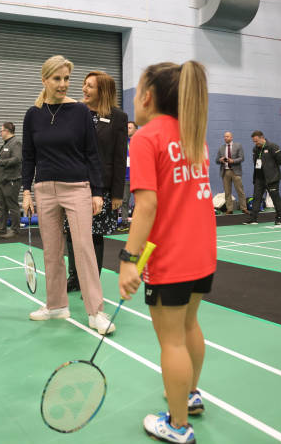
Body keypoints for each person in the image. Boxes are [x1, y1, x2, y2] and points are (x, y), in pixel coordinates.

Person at [118, 61, 216, 443]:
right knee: (190, 325)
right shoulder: (195, 135)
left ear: (147, 96)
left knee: (171, 340)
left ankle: (177, 426)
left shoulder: (145, 138)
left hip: (171, 259)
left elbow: (146, 207)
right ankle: (189, 395)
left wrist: (128, 260)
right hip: (203, 254)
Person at [22, 55, 115, 335]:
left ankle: (95, 311)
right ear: (44, 80)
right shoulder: (33, 115)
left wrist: (97, 192)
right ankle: (56, 305)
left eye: (66, 79)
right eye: (57, 79)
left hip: (77, 188)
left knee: (84, 248)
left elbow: (92, 155)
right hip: (44, 190)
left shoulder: (80, 112)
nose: (63, 84)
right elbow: (29, 157)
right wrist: (26, 191)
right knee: (51, 251)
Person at [66, 70, 128, 292]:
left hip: (101, 187)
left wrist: (118, 194)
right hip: (73, 184)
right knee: (72, 231)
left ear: (102, 91)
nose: (84, 89)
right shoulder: (74, 112)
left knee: (94, 234)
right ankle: (74, 278)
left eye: (90, 86)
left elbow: (120, 158)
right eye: (84, 84)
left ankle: (91, 281)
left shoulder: (118, 117)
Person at [0, 121, 22, 238]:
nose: (0, 133)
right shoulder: (6, 144)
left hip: (11, 180)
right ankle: (1, 229)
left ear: (7, 131)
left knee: (13, 205)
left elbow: (17, 159)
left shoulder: (15, 143)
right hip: (2, 180)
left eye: (1, 131)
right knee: (1, 205)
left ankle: (15, 230)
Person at [243, 130, 281, 225]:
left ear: (262, 138)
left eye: (257, 141)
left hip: (272, 178)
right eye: (254, 141)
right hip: (259, 178)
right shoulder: (255, 149)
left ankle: (280, 218)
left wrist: (271, 168)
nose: (255, 143)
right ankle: (253, 218)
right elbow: (256, 163)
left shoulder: (273, 146)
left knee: (275, 198)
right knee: (256, 198)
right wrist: (255, 178)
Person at [216, 131, 249, 214]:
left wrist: (233, 161)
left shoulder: (238, 146)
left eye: (227, 136)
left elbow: (242, 158)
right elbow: (216, 160)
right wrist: (220, 160)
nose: (225, 138)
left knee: (240, 190)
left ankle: (244, 208)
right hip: (225, 171)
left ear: (231, 137)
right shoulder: (221, 147)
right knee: (227, 192)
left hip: (235, 172)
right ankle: (229, 209)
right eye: (224, 136)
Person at [117, 121, 138, 231]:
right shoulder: (122, 143)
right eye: (126, 127)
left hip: (138, 177)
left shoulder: (140, 142)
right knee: (124, 201)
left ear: (136, 130)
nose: (127, 129)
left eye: (130, 128)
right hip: (125, 177)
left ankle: (140, 224)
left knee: (141, 202)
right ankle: (124, 222)